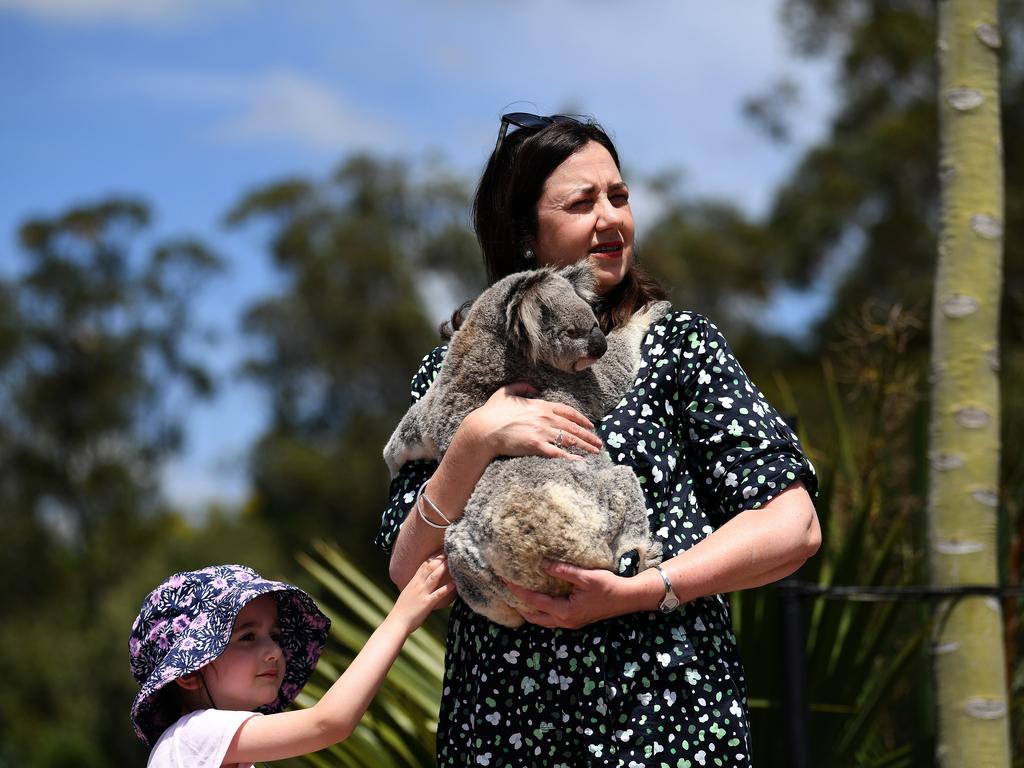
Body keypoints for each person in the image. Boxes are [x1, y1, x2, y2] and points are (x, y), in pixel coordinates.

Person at [377, 112, 821, 766]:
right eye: (581, 203)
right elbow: (408, 568)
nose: (610, 219)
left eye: (619, 196)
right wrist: (473, 442)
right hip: (503, 734)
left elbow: (795, 527)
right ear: (525, 234)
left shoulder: (676, 346)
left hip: (668, 724)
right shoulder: (449, 373)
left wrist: (644, 590)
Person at [129, 559, 454, 767]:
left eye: (275, 634)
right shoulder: (193, 735)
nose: (274, 650)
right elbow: (328, 724)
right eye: (247, 638)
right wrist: (399, 620)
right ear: (189, 674)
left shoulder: (223, 749)